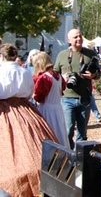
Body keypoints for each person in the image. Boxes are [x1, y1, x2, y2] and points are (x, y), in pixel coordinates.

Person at [0, 43, 58, 196]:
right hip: (26, 111)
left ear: (1, 56)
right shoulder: (24, 71)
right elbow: (29, 92)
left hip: (4, 112)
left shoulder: (1, 71)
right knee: (36, 146)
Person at [54, 29, 101, 149]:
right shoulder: (62, 55)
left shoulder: (90, 54)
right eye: (75, 37)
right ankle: (69, 155)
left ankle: (79, 160)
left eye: (80, 36)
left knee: (82, 132)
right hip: (67, 98)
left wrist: (93, 75)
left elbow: (98, 74)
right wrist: (62, 78)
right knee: (68, 130)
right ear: (69, 40)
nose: (79, 39)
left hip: (84, 98)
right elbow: (54, 75)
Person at [33, 51, 70, 148]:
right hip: (57, 108)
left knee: (49, 133)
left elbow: (39, 97)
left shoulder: (43, 78)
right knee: (60, 132)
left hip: (46, 109)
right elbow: (63, 88)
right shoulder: (58, 76)